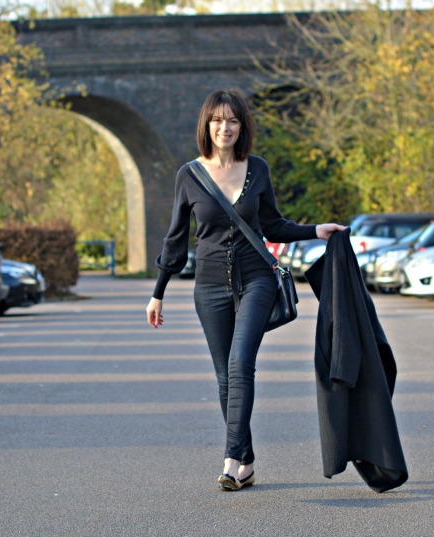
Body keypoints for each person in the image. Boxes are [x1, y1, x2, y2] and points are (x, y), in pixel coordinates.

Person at [146, 88, 345, 491]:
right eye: (218, 120)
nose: (225, 127)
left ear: (242, 126)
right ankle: (248, 462)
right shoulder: (189, 175)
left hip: (257, 280)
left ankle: (231, 457)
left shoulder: (257, 169)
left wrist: (315, 231)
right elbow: (175, 239)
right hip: (210, 286)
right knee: (224, 377)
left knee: (240, 365)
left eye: (233, 120)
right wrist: (158, 291)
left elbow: (273, 225)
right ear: (206, 125)